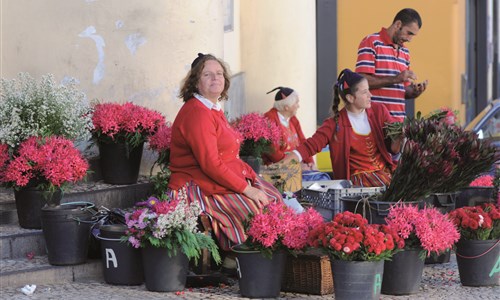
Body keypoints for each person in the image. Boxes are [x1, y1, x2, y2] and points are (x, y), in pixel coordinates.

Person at [167, 53, 282, 266]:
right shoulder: (197, 113)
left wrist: (249, 180)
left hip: (213, 180)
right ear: (195, 82)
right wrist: (246, 189)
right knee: (253, 209)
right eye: (207, 74)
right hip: (195, 186)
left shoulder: (211, 108)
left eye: (219, 73)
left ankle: (260, 259)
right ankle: (241, 259)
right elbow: (210, 163)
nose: (215, 78)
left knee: (273, 197)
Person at [281, 69, 401, 187]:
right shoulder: (334, 124)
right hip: (359, 182)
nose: (370, 95)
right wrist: (278, 167)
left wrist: (402, 136)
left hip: (385, 173)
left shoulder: (379, 111)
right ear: (350, 98)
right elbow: (308, 147)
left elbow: (394, 144)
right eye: (365, 92)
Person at [355, 8, 428, 122]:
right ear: (398, 24)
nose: (409, 39)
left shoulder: (405, 52)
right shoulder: (371, 42)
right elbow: (361, 83)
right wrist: (396, 79)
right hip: (374, 122)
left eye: (412, 35)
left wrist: (414, 92)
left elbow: (402, 90)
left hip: (398, 125)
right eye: (409, 33)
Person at [263, 86, 315, 171]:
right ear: (286, 107)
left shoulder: (293, 119)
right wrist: (296, 165)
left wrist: (310, 162)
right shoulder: (269, 118)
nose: (298, 106)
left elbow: (303, 141)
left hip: (297, 164)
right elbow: (272, 151)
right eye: (296, 103)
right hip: (279, 168)